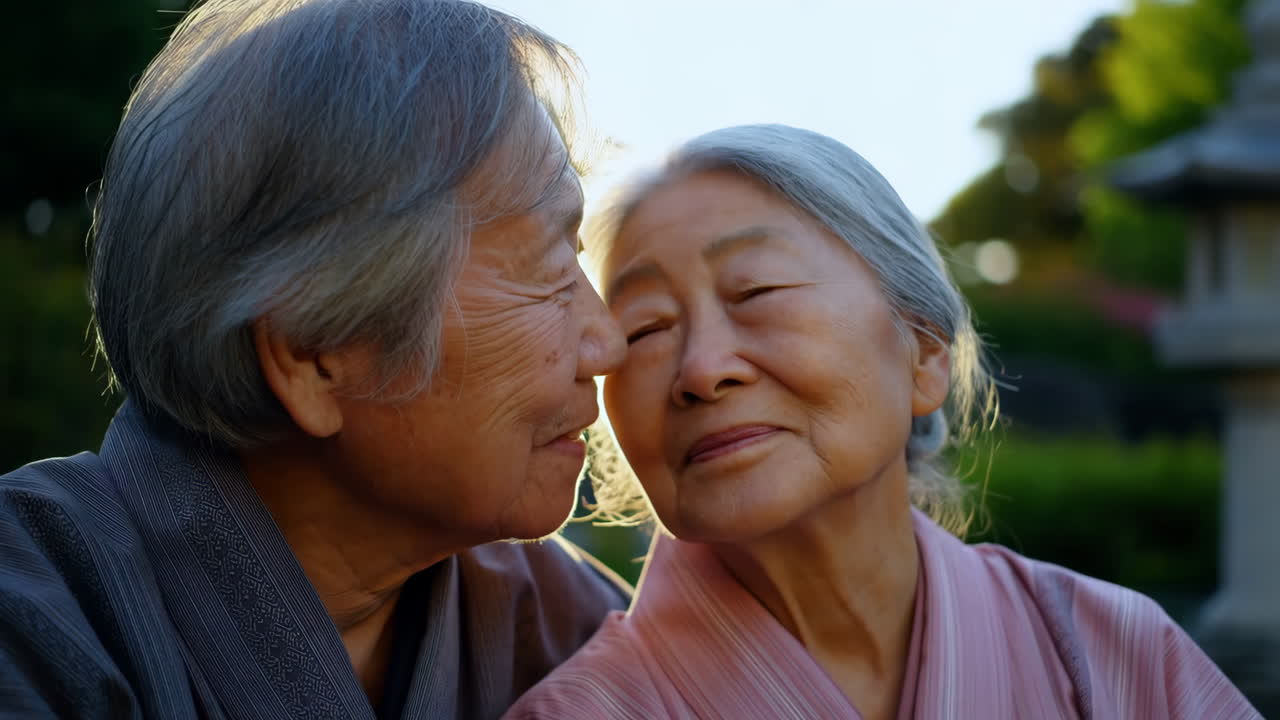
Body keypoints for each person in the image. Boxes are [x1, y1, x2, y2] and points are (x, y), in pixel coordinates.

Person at [0, 1, 631, 718]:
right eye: (550, 268)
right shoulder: (31, 624)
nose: (607, 345)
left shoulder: (568, 626)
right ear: (314, 350)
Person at [504, 124, 1261, 720]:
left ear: (925, 354)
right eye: (646, 329)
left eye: (758, 290)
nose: (702, 369)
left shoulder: (1113, 655)